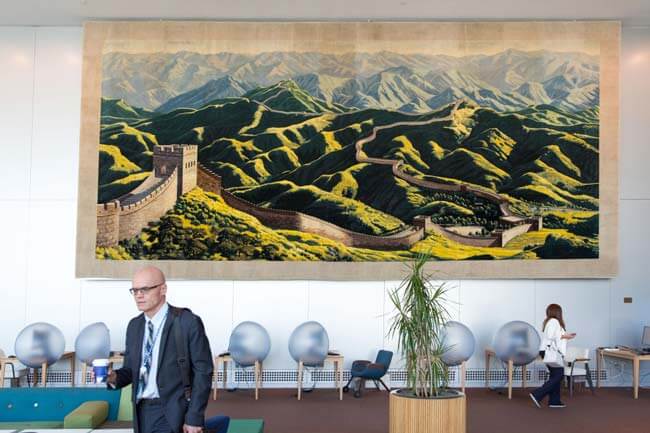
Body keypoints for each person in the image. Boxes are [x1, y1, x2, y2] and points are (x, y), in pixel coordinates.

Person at [105, 266, 214, 433]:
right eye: (135, 290)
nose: (138, 295)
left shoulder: (187, 322)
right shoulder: (134, 326)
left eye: (145, 289)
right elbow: (131, 370)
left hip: (172, 412)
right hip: (140, 412)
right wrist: (113, 377)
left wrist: (194, 416)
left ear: (163, 289)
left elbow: (203, 372)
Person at [529, 303, 576, 409]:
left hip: (547, 351)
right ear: (558, 312)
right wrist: (564, 336)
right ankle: (537, 394)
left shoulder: (550, 321)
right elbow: (551, 336)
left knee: (555, 375)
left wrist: (564, 336)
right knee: (559, 375)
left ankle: (554, 401)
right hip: (551, 352)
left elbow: (553, 336)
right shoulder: (554, 321)